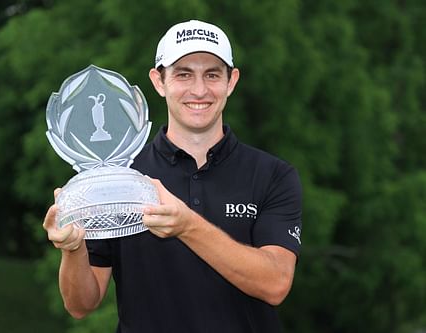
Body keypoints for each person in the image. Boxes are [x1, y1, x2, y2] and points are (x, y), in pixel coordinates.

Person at [43, 19, 302, 333]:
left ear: (231, 81)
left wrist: (187, 225)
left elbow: (275, 284)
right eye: (183, 74)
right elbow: (81, 304)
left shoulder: (272, 174)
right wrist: (72, 249)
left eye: (212, 74)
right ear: (158, 81)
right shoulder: (118, 178)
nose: (199, 90)